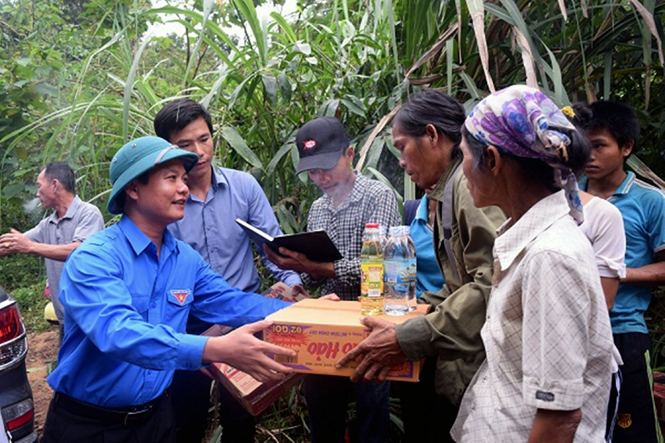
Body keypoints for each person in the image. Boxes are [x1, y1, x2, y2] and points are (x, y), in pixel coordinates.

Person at [41, 136, 299, 443]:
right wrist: (215, 349)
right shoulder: (95, 258)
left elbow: (232, 303)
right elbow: (118, 331)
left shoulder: (185, 260)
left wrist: (313, 310)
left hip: (157, 419)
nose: (184, 188)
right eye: (171, 178)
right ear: (134, 189)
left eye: (184, 179)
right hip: (90, 426)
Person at [338, 90, 505, 443]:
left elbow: (493, 282)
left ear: (432, 136)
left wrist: (411, 333)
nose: (400, 161)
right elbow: (460, 282)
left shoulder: (466, 185)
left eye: (401, 146)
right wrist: (409, 315)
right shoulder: (444, 192)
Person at [449, 85, 614, 441]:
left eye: (463, 156)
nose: (462, 172)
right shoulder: (531, 242)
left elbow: (560, 417)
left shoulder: (549, 257)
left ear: (491, 160)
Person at [154, 99, 303, 443]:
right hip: (189, 327)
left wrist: (293, 286)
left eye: (204, 139)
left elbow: (273, 249)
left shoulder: (244, 186)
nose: (200, 152)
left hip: (243, 319)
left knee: (241, 419)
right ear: (167, 149)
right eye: (185, 145)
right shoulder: (164, 201)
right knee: (185, 419)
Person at [264, 116, 400, 443]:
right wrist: (296, 282)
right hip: (325, 329)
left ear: (350, 154)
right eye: (312, 171)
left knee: (372, 412)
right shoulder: (318, 209)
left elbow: (379, 265)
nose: (321, 178)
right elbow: (317, 279)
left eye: (327, 167)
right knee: (323, 411)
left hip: (370, 326)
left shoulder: (377, 197)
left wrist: (321, 268)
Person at [574, 100, 665, 443]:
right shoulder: (567, 196)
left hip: (623, 330)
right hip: (573, 330)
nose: (590, 156)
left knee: (631, 431)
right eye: (585, 145)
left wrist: (616, 275)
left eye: (600, 146)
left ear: (626, 147)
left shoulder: (649, 201)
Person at [0, 162, 104, 341]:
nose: (37, 193)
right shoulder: (47, 224)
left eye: (39, 186)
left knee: (96, 368)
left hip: (92, 316)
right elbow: (16, 243)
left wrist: (30, 247)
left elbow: (79, 250)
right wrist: (10, 244)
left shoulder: (88, 214)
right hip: (66, 319)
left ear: (55, 185)